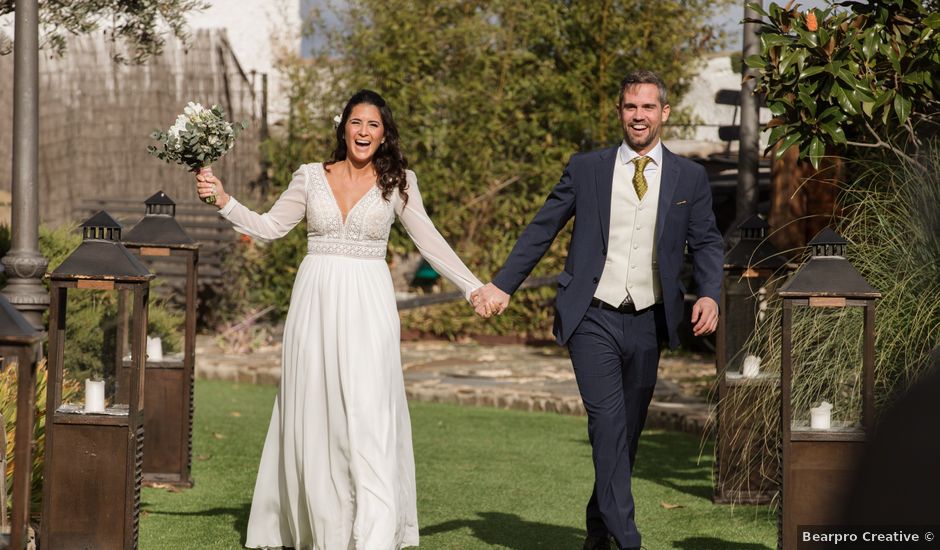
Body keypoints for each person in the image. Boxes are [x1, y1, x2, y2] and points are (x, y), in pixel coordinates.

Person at [195, 89, 486, 549]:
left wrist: (473, 286)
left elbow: (431, 242)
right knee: (316, 414)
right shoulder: (311, 177)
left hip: (370, 305)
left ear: (384, 133)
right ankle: (325, 531)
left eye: (373, 124)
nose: (364, 132)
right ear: (342, 127)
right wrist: (224, 200)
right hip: (315, 303)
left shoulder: (399, 183)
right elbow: (270, 228)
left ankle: (372, 536)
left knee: (370, 416)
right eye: (356, 123)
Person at [472, 70, 724, 550]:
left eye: (648, 107)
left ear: (664, 113)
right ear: (619, 111)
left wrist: (709, 291)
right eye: (631, 106)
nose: (639, 116)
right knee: (607, 423)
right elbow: (542, 227)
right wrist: (503, 284)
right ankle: (628, 539)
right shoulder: (586, 168)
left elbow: (707, 240)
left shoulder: (690, 177)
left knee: (626, 433)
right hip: (593, 314)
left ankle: (597, 531)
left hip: (650, 319)